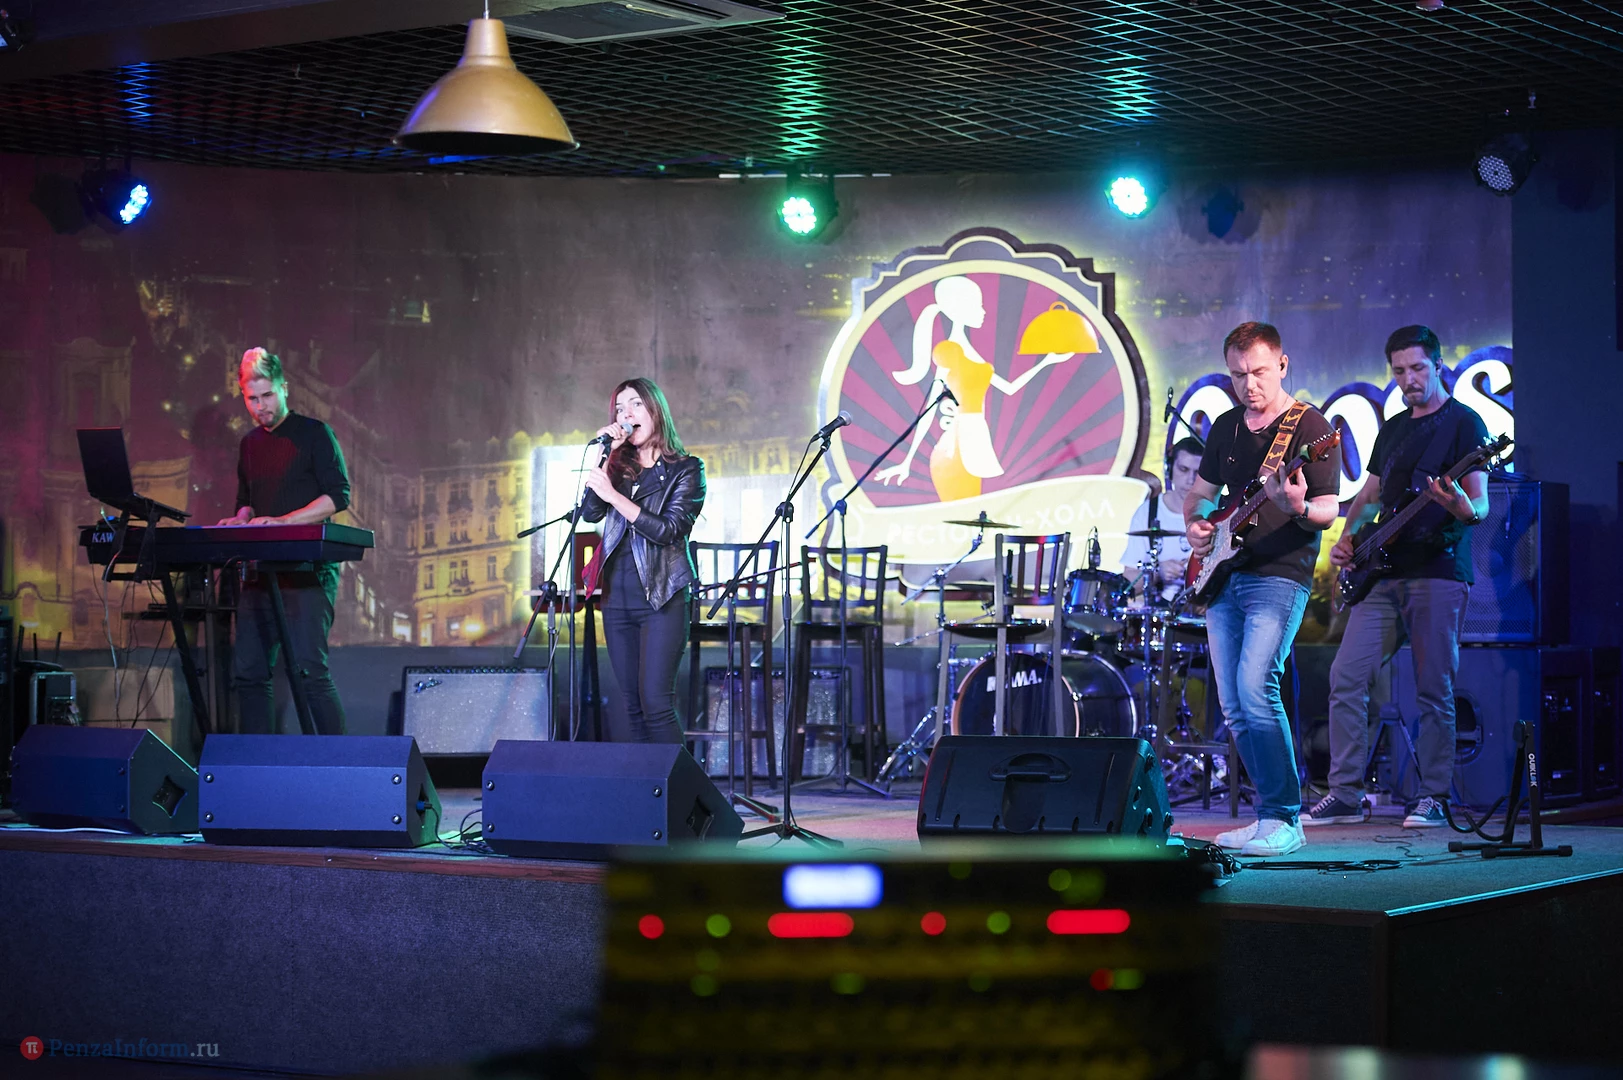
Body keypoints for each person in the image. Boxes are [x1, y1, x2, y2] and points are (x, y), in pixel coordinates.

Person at [1305, 326, 1491, 829]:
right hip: (1381, 576)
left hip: (1438, 572)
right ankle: (1346, 794)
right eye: (1400, 371)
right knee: (1346, 677)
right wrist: (1348, 539)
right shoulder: (1392, 429)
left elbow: (1480, 505)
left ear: (1438, 366)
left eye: (1418, 369)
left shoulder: (1465, 424)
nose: (1409, 379)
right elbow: (1369, 496)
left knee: (1433, 687)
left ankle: (1434, 797)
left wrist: (1461, 507)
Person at [1184, 323, 1341, 857]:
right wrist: (1197, 523)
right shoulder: (1227, 427)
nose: (1248, 385)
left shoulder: (1311, 428)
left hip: (1280, 573)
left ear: (1282, 365)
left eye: (1258, 372)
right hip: (1224, 575)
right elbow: (1200, 495)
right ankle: (1269, 814)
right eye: (1237, 375)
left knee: (1256, 686)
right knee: (1233, 705)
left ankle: (1286, 817)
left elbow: (1328, 509)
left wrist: (1298, 507)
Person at [218, 348, 350, 735]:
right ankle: (260, 762)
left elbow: (338, 495)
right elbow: (247, 500)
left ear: (284, 388)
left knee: (309, 670)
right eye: (252, 399)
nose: (261, 407)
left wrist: (285, 522)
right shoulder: (249, 444)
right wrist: (240, 519)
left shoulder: (315, 434)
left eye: (268, 396)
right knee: (249, 672)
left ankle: (339, 762)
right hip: (261, 572)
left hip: (309, 571)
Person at [580, 378, 706, 743]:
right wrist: (606, 458)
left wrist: (615, 497)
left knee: (656, 704)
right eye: (619, 409)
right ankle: (645, 782)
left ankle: (680, 782)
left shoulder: (686, 469)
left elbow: (669, 530)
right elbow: (590, 513)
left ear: (655, 410)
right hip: (616, 600)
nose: (626, 414)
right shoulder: (618, 469)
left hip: (661, 599)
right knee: (632, 707)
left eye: (635, 405)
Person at [874, 275, 1077, 501]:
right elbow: (929, 408)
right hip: (955, 446)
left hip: (976, 438)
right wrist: (907, 461)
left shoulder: (967, 351)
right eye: (977, 306)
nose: (983, 312)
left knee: (974, 510)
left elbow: (1009, 388)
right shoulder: (950, 351)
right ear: (959, 309)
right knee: (961, 507)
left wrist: (1046, 361)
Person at [1122, 436, 1203, 599]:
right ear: (1169, 469)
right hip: (1160, 609)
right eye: (1183, 469)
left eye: (1198, 473)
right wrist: (1157, 573)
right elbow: (1129, 582)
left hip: (1205, 607)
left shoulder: (1217, 512)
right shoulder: (1147, 512)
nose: (1190, 480)